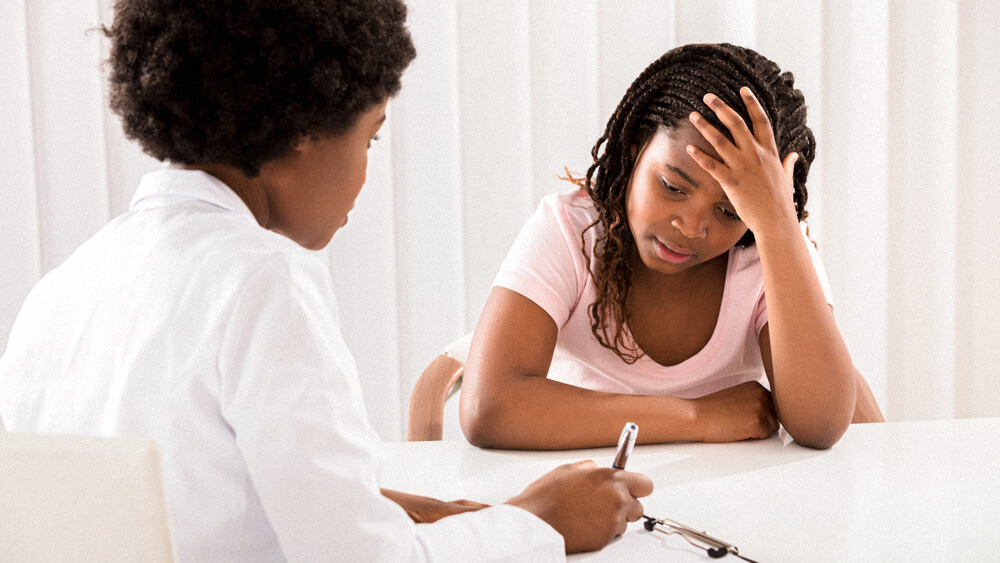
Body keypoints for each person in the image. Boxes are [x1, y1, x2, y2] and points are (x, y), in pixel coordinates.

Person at [0, 0, 652, 560]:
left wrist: (434, 512)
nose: (366, 175)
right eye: (371, 137)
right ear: (308, 126)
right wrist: (538, 523)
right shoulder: (262, 282)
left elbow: (206, 496)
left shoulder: (63, 287)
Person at [460, 43, 885, 453]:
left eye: (728, 210)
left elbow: (821, 425)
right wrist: (696, 418)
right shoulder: (573, 230)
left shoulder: (770, 248)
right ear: (636, 144)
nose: (691, 227)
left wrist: (777, 227)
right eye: (672, 186)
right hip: (589, 491)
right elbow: (489, 407)